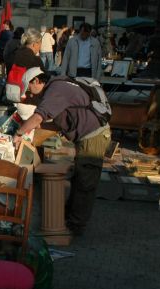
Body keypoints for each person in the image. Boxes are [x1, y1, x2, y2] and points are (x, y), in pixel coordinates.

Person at [15, 68, 111, 235]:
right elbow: (56, 122)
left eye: (29, 89)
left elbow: (40, 115)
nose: (31, 95)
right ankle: (70, 217)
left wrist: (19, 134)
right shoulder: (58, 86)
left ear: (36, 81)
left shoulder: (56, 89)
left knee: (85, 182)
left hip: (93, 135)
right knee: (80, 178)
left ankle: (75, 225)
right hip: (87, 135)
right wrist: (36, 129)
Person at [4, 30, 45, 102]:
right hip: (27, 97)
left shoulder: (14, 53)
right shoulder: (34, 59)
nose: (40, 47)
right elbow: (43, 79)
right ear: (34, 44)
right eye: (40, 44)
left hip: (10, 91)